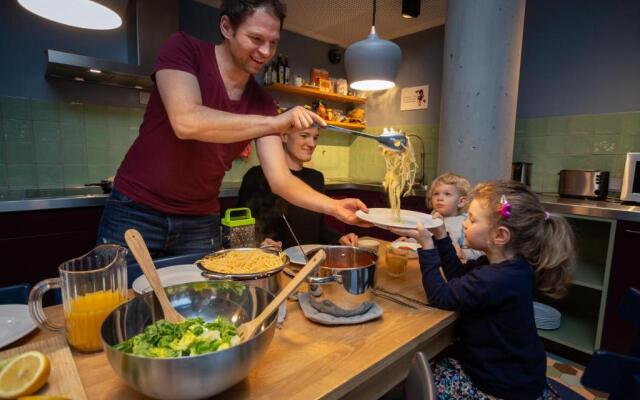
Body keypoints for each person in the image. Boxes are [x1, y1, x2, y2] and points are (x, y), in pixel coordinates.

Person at [96, 0, 367, 259]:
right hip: (136, 209)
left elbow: (281, 180)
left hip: (200, 221)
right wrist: (276, 122)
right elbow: (186, 121)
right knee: (127, 303)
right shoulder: (183, 49)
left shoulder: (260, 101)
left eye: (273, 43)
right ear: (227, 27)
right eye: (256, 39)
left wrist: (335, 207)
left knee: (198, 305)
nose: (266, 52)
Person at [392, 181, 575, 399]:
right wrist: (440, 235)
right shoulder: (505, 266)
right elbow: (458, 275)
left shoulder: (496, 278)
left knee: (415, 382)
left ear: (500, 235)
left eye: (472, 219)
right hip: (516, 374)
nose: (465, 224)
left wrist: (427, 246)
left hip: (501, 386)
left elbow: (440, 296)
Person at [237, 126, 358, 250]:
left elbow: (319, 229)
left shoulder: (316, 178)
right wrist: (261, 243)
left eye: (315, 137)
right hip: (274, 262)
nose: (312, 144)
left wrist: (339, 238)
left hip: (309, 262)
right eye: (304, 135)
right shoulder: (256, 176)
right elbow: (241, 229)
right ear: (284, 136)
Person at [426, 172, 483, 261]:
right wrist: (410, 241)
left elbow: (480, 253)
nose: (439, 198)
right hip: (430, 261)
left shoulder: (466, 224)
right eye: (436, 193)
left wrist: (463, 253)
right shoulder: (432, 215)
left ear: (461, 202)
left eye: (447, 194)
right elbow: (425, 236)